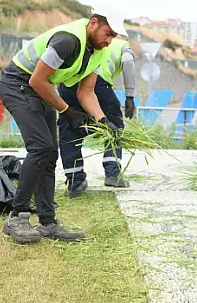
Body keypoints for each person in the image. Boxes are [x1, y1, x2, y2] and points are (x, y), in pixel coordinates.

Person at [0, 10, 127, 244]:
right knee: (41, 147)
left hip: (41, 89)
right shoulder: (67, 41)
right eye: (108, 33)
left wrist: (102, 120)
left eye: (114, 36)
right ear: (94, 23)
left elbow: (85, 91)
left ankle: (48, 223)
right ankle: (17, 218)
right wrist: (67, 111)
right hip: (18, 84)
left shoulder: (99, 51)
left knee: (50, 154)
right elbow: (36, 79)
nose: (109, 40)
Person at [57, 36, 138, 197]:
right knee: (114, 126)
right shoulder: (123, 45)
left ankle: (75, 180)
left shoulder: (86, 40)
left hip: (68, 82)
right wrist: (130, 96)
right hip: (97, 83)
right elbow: (128, 61)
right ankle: (113, 173)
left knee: (69, 129)